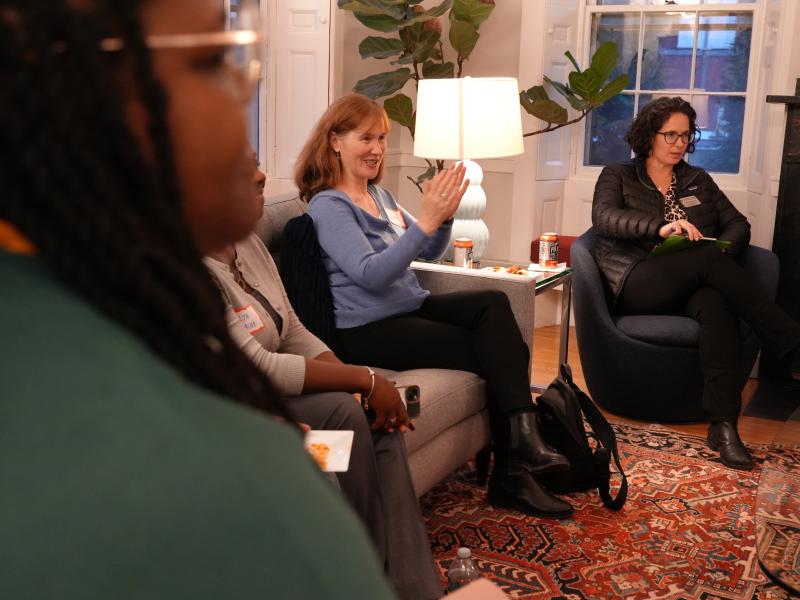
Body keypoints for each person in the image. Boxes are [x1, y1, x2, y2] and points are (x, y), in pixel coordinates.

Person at [0, 2, 397, 598]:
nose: (244, 88)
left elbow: (290, 328)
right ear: (89, 95)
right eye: (215, 58)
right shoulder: (237, 496)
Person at [295, 93, 574, 519]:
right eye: (365, 138)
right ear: (335, 140)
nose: (377, 149)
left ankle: (520, 450)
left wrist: (441, 219)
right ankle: (515, 470)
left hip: (408, 307)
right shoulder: (329, 206)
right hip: (367, 330)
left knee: (493, 304)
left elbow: (428, 249)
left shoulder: (380, 195)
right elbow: (371, 273)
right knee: (493, 352)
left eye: (383, 138)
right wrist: (425, 220)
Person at [204, 156, 443, 600]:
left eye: (257, 164)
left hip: (277, 399)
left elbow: (292, 329)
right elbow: (257, 366)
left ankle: (412, 588)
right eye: (242, 170)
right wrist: (365, 380)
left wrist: (356, 385)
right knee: (343, 413)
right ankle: (361, 580)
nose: (260, 176)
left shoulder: (248, 243)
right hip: (237, 411)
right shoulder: (190, 268)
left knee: (378, 421)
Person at [592, 96, 800, 471]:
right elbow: (605, 219)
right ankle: (789, 342)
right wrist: (660, 228)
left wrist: (721, 255)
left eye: (685, 135)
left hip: (692, 282)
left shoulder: (697, 180)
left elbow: (739, 224)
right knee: (705, 261)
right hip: (638, 280)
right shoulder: (618, 175)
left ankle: (722, 426)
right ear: (649, 135)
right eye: (670, 134)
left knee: (715, 305)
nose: (679, 143)